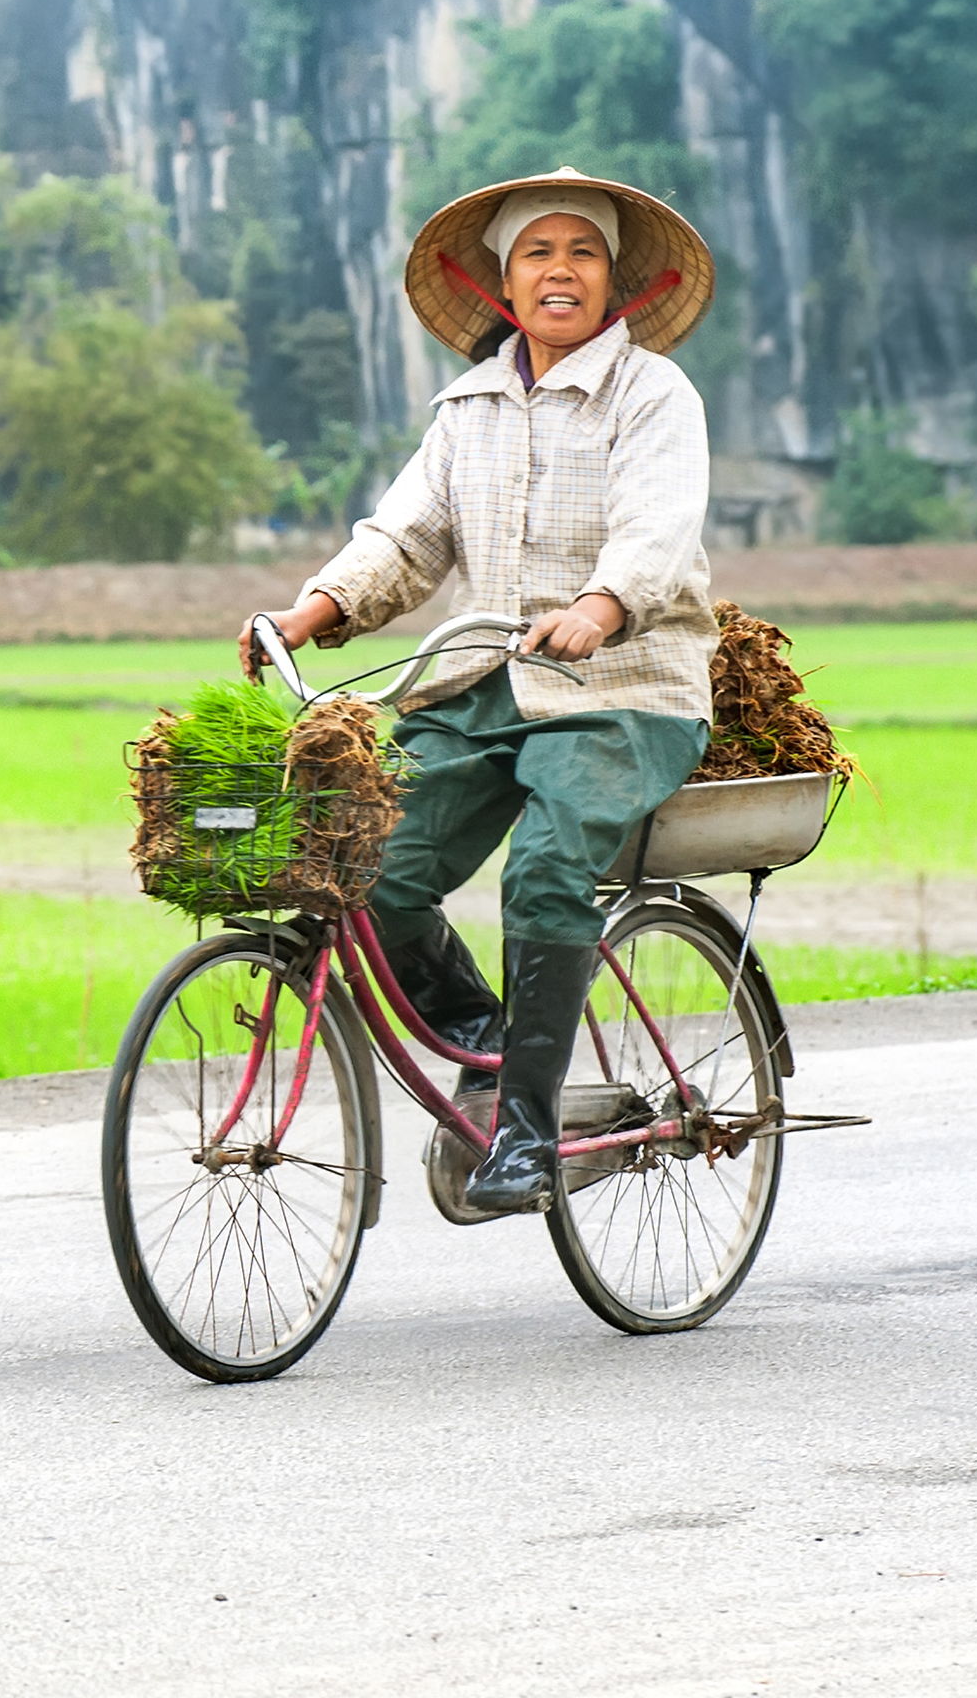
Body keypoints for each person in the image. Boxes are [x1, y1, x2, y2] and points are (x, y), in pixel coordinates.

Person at [239, 166, 719, 1215]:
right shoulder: (469, 406)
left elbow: (657, 523)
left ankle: (528, 1135)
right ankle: (485, 1031)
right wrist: (309, 614)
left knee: (546, 864)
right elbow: (406, 537)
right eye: (537, 253)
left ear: (613, 282)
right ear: (503, 281)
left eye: (582, 251)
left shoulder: (654, 396)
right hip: (487, 680)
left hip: (624, 687)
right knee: (364, 858)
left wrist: (602, 604)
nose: (560, 270)